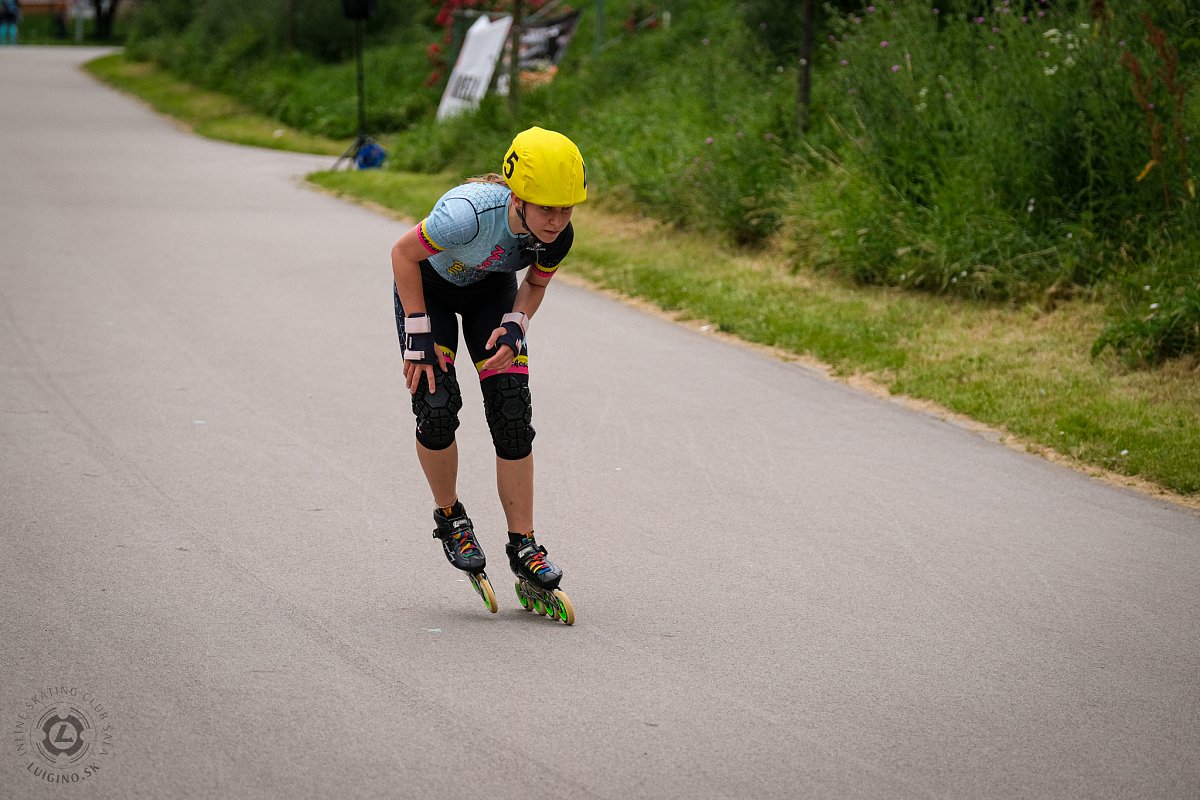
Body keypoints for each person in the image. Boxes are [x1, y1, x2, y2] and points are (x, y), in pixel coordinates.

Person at [389, 127, 586, 624]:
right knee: (436, 408)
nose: (556, 221)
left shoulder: (558, 236)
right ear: (517, 198)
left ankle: (524, 545)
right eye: (546, 209)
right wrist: (418, 331)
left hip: (489, 294)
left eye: (566, 209)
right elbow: (402, 255)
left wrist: (517, 324)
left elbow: (534, 284)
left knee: (512, 413)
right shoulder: (466, 214)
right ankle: (451, 518)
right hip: (429, 290)